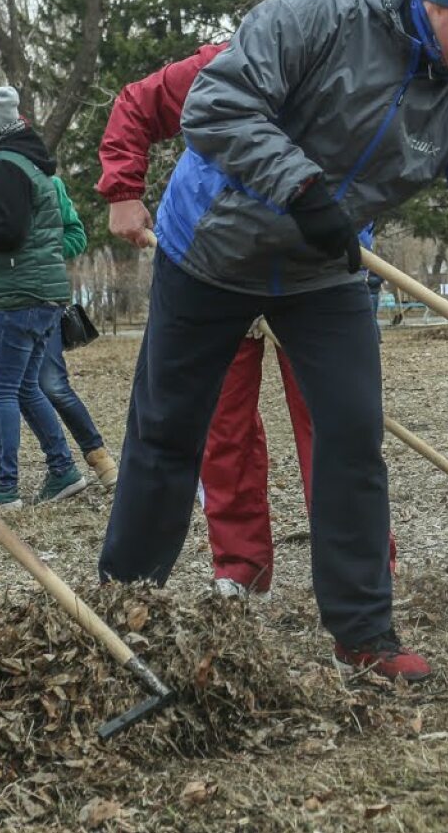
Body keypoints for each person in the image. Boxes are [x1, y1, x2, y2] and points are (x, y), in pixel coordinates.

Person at [97, 0, 448, 682]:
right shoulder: (321, 16)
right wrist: (299, 186)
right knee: (167, 435)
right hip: (211, 250)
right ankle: (121, 616)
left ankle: (364, 635)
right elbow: (215, 106)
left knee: (352, 436)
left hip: (325, 269)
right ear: (442, 0)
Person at [99, 44, 316, 598]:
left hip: (316, 269)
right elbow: (137, 104)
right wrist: (122, 190)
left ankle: (358, 568)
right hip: (215, 264)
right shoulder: (237, 61)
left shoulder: (365, 75)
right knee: (224, 425)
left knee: (335, 424)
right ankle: (241, 567)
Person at [0, 88, 96, 507]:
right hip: (40, 295)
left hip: (16, 295)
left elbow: (7, 231)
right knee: (25, 387)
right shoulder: (27, 160)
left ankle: (4, 488)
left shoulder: (2, 165)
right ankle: (63, 471)